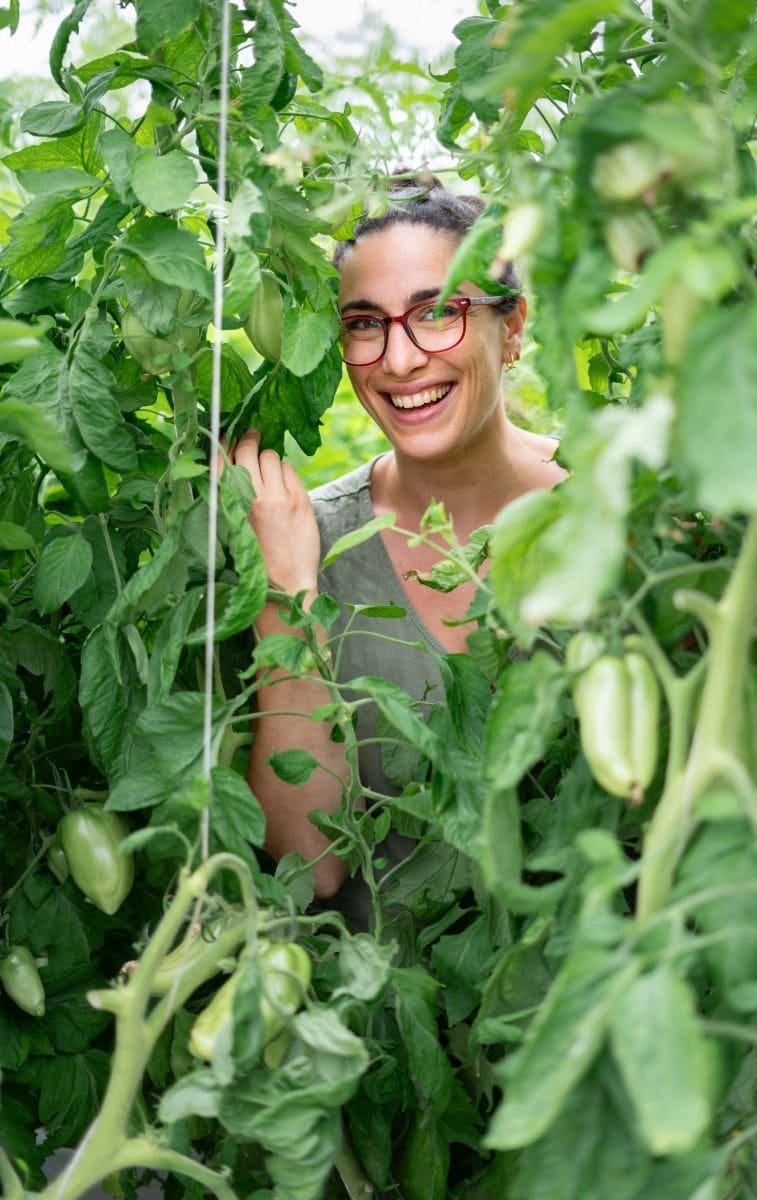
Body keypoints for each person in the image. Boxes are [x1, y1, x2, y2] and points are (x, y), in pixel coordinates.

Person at [229, 174, 566, 923]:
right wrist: (288, 593)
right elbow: (306, 867)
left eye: (439, 311)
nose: (401, 359)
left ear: (511, 328)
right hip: (370, 1028)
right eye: (364, 323)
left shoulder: (617, 510)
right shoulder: (309, 541)